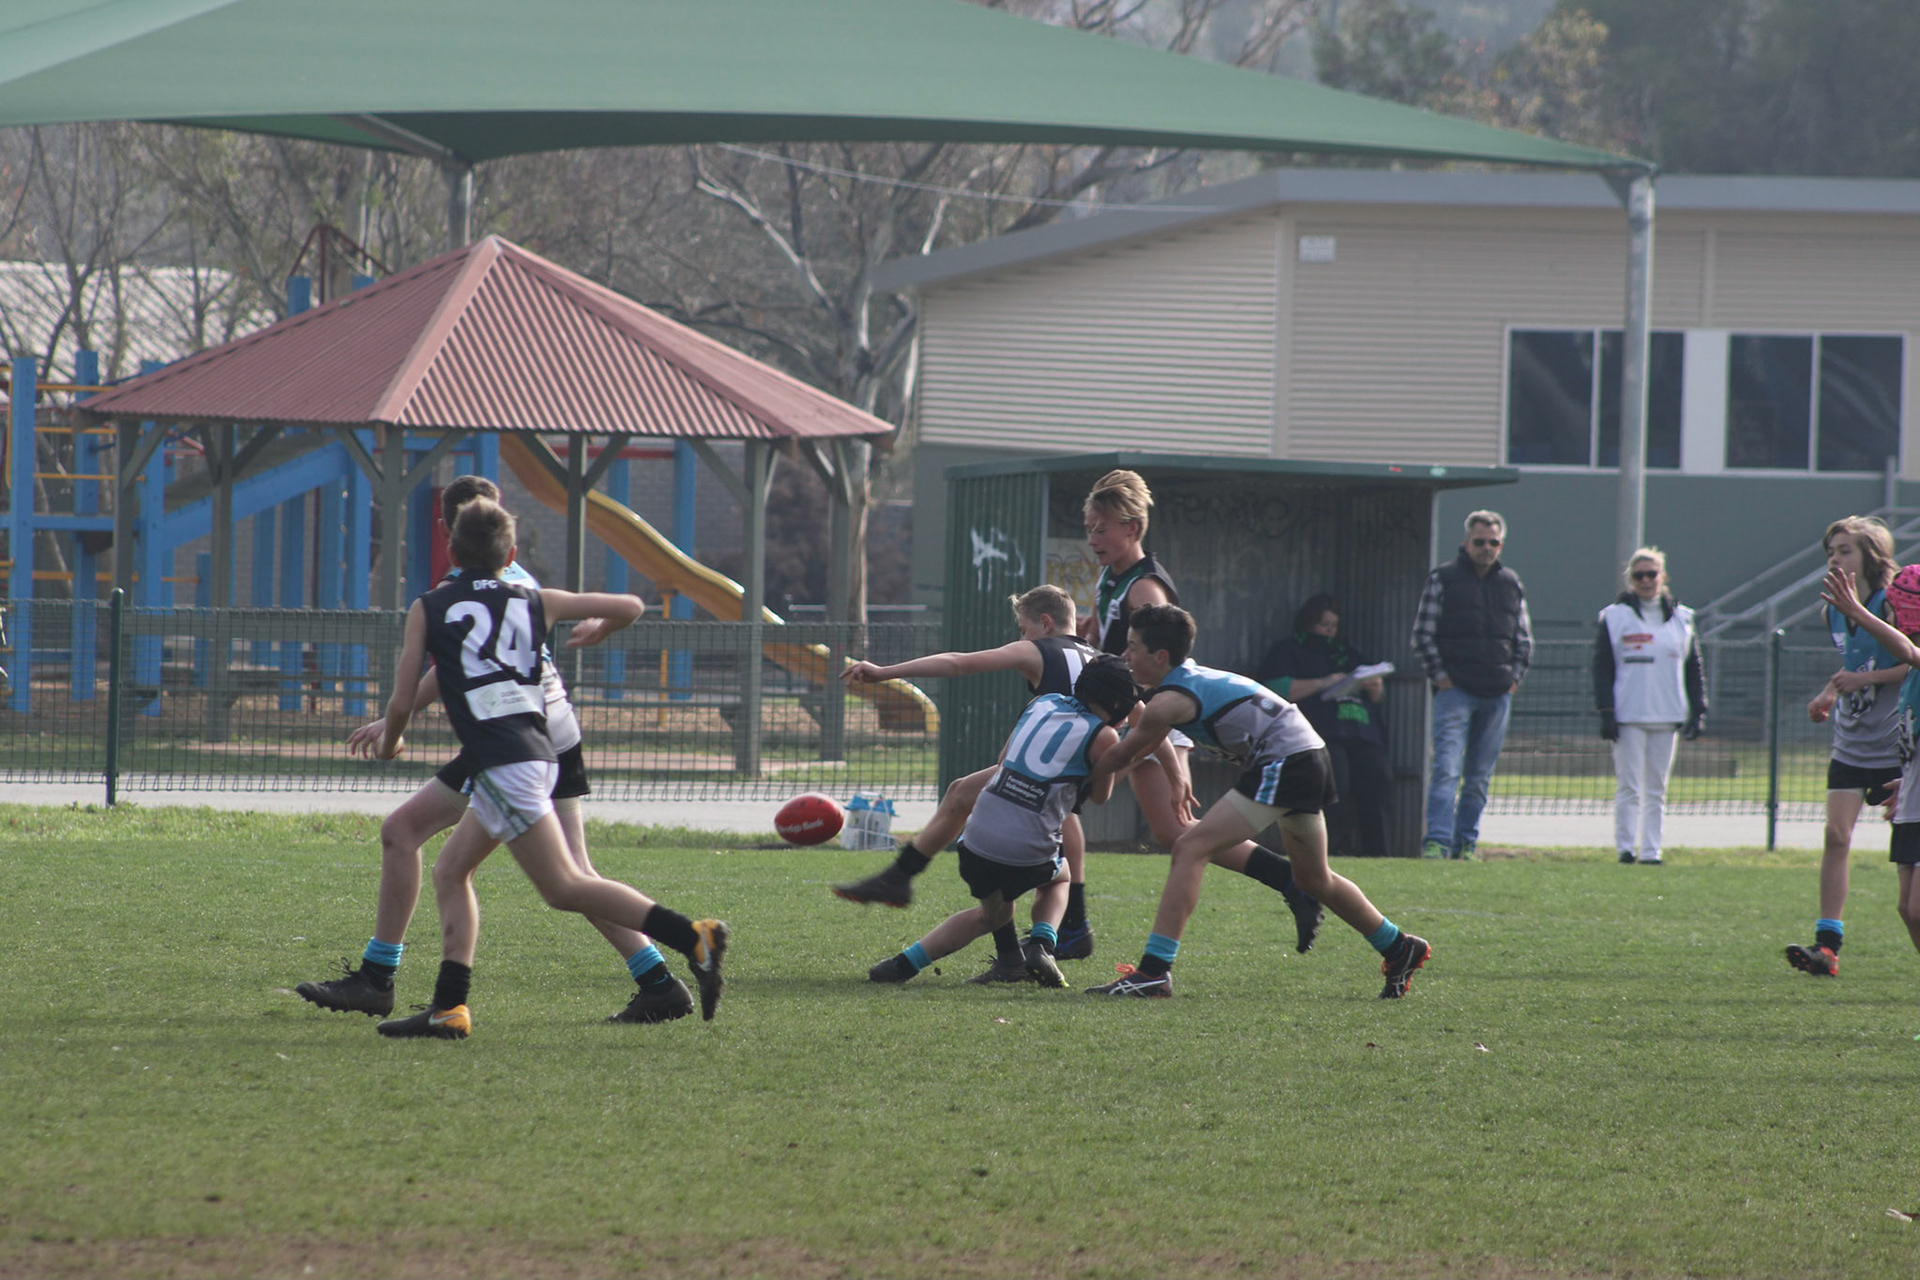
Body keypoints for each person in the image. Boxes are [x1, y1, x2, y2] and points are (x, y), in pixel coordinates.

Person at [296, 476, 694, 1026]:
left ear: (447, 534)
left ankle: (383, 981)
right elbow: (618, 609)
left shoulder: (458, 591)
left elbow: (452, 668)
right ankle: (657, 982)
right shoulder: (517, 581)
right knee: (548, 873)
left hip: (510, 735)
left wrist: (394, 724)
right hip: (550, 730)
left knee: (430, 842)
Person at [1084, 604, 1429, 999]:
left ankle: (1154, 971)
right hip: (1308, 755)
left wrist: (1065, 782)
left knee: (1190, 846)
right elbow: (1147, 741)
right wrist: (1175, 778)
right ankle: (1399, 946)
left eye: (1132, 647)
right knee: (1313, 879)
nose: (1125, 655)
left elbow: (1121, 755)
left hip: (1287, 760)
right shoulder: (1184, 682)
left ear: (1160, 656)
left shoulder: (1169, 701)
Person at [832, 586, 1106, 976]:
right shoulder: (1100, 661)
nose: (1022, 637)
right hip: (1077, 769)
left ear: (1045, 623)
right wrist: (1170, 772)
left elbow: (959, 663)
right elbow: (1146, 716)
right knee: (1018, 833)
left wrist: (884, 672)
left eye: (1023, 629)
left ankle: (899, 877)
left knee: (966, 797)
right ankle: (1026, 949)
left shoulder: (1039, 650)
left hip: (1047, 770)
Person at [866, 656, 1138, 989]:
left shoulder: (1043, 702)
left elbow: (1002, 761)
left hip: (975, 842)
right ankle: (1042, 944)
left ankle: (904, 964)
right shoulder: (1104, 735)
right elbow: (1100, 796)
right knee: (1061, 878)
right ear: (1117, 705)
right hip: (1028, 851)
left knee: (992, 915)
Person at [1786, 516, 1904, 978]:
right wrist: (1830, 693)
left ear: (1871, 556)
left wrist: (1863, 680)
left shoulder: (1894, 603)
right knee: (1836, 836)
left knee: (1907, 853)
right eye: (1830, 552)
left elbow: (1912, 662)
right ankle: (1827, 947)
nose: (1834, 559)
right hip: (1852, 745)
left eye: (1844, 550)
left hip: (1897, 748)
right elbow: (1854, 665)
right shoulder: (1831, 610)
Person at [1411, 509, 1532, 860]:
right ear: (1466, 543)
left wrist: (1514, 678)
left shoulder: (1511, 582)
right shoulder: (1443, 579)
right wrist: (1441, 677)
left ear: (1501, 545)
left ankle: (1466, 844)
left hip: (1497, 694)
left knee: (1479, 777)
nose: (1486, 548)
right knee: (1447, 770)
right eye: (1480, 542)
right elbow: (1422, 635)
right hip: (1455, 692)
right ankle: (1437, 841)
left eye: (1493, 542)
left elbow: (1524, 639)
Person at [1821, 564, 1920, 967]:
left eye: (1894, 608)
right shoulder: (1910, 678)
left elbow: (1910, 653)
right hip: (1911, 798)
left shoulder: (1912, 661)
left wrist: (1858, 613)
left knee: (1918, 908)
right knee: (1907, 909)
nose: (1888, 613)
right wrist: (1908, 782)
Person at [1592, 548, 1706, 867]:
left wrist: (1699, 709)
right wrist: (1606, 711)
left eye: (1652, 574)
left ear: (1663, 577)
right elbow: (1602, 667)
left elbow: (1693, 667)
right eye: (1639, 575)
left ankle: (1651, 851)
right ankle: (1625, 848)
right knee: (1629, 785)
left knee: (1657, 788)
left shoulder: (1683, 618)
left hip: (1668, 714)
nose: (1646, 581)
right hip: (1628, 715)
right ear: (1630, 579)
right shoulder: (1614, 616)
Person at [1255, 594, 1392, 858]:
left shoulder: (1347, 651)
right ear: (1308, 623)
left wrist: (1375, 687)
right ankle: (1330, 851)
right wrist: (1325, 682)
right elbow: (1275, 689)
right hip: (1321, 731)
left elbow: (1378, 698)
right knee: (1334, 783)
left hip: (1360, 730)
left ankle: (1379, 853)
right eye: (1324, 625)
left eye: (1334, 626)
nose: (1330, 631)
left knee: (1378, 779)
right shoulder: (1288, 650)